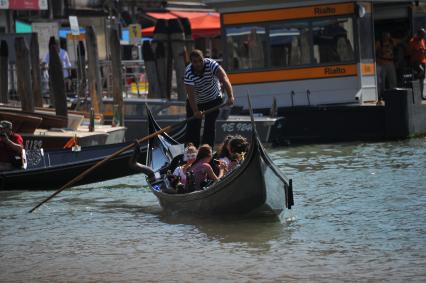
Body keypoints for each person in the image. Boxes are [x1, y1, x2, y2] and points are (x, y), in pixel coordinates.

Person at [184, 49, 235, 147]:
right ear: (191, 62)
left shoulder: (212, 64)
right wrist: (195, 111)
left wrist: (230, 96)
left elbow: (224, 78)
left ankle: (207, 151)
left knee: (209, 126)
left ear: (203, 59)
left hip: (213, 99)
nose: (198, 64)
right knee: (192, 128)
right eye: (195, 62)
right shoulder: (188, 73)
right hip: (195, 102)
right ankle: (191, 152)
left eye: (200, 60)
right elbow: (191, 95)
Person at [376, 32, 397, 99]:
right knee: (382, 81)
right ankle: (382, 95)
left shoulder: (392, 41)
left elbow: (401, 41)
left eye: (388, 36)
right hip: (382, 63)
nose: (387, 38)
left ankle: (393, 95)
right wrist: (377, 60)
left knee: (393, 80)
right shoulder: (379, 43)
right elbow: (373, 52)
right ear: (382, 36)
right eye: (385, 36)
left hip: (390, 63)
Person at [408, 28, 426, 98]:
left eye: (423, 35)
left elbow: (424, 49)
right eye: (422, 35)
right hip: (415, 61)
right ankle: (415, 78)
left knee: (422, 79)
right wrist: (418, 50)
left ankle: (420, 95)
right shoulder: (413, 41)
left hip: (423, 61)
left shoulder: (422, 40)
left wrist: (424, 50)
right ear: (418, 34)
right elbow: (409, 52)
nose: (423, 36)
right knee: (421, 71)